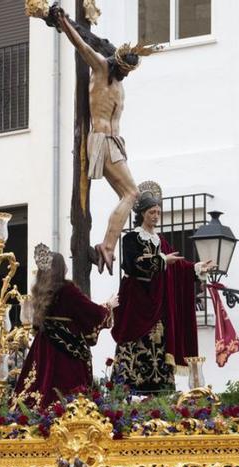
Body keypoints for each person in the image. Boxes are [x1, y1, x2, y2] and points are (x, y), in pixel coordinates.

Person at [48, 6, 157, 274]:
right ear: (116, 60)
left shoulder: (119, 84)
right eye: (123, 68)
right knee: (132, 193)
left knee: (127, 194)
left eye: (129, 71)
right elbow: (82, 46)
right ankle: (107, 246)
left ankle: (107, 245)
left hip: (114, 143)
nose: (125, 74)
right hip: (102, 140)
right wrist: (63, 22)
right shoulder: (100, 67)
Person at [110, 184, 212, 394]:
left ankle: (162, 391)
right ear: (142, 214)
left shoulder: (161, 241)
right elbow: (133, 263)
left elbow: (177, 267)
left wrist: (196, 268)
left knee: (160, 344)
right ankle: (128, 390)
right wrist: (162, 260)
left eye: (158, 212)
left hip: (158, 305)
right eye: (151, 212)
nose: (156, 216)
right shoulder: (131, 238)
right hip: (136, 303)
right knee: (136, 345)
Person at [16, 245, 116, 404]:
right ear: (60, 268)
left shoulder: (40, 290)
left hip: (43, 345)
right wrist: (108, 306)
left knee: (40, 383)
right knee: (65, 389)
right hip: (65, 349)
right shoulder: (67, 290)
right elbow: (90, 311)